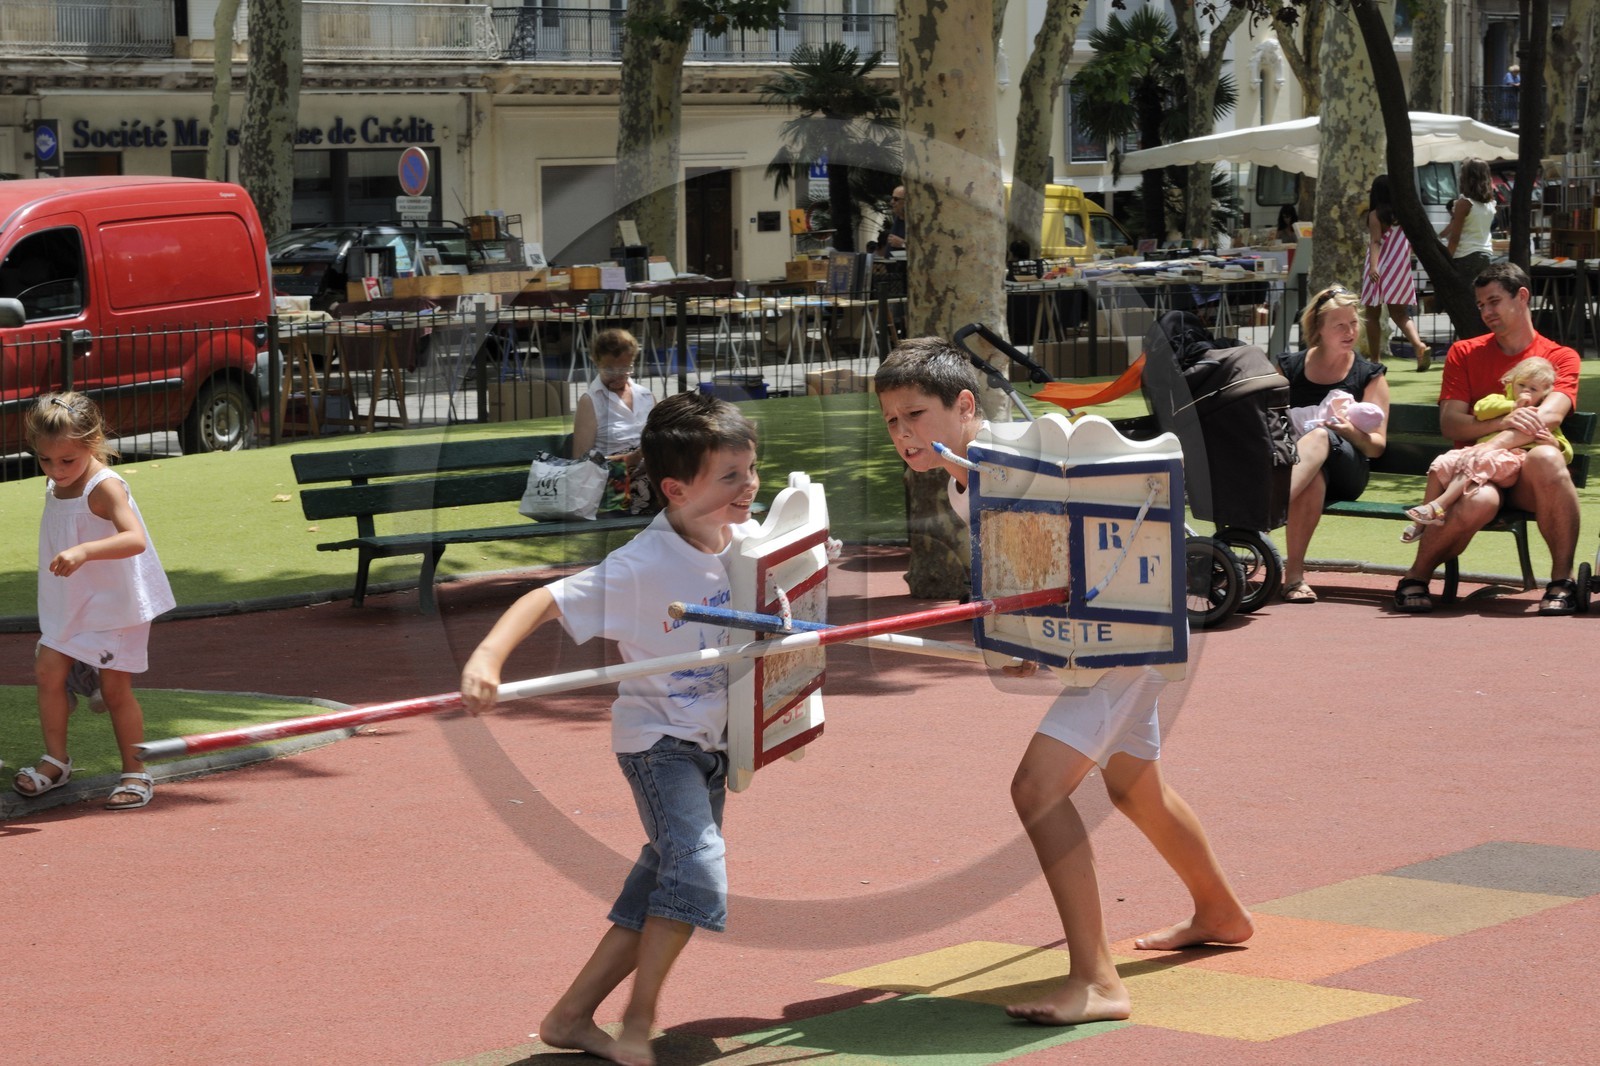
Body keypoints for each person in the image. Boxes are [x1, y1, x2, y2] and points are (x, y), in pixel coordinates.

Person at [875, 338, 1252, 1026]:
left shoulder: (1019, 454)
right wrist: (1026, 637)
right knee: (1135, 786)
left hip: (1129, 634)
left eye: (915, 414)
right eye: (892, 420)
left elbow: (1099, 524)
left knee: (1037, 789)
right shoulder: (968, 471)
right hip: (1117, 633)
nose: (903, 433)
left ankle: (1098, 980)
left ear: (964, 405)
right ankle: (1219, 911)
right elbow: (1027, 555)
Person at [460, 391, 761, 1066]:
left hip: (713, 743)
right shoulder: (638, 566)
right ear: (678, 489)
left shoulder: (744, 539)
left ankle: (569, 1017)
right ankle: (640, 1017)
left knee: (659, 891)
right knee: (698, 870)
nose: (749, 488)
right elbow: (541, 600)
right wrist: (487, 657)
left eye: (751, 471)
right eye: (732, 478)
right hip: (662, 746)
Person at [15, 392, 175, 810]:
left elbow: (134, 538)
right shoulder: (57, 480)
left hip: (114, 605)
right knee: (47, 671)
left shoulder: (103, 487)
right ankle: (56, 761)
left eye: (67, 460)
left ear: (92, 442)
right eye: (45, 460)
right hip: (72, 601)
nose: (55, 469)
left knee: (116, 690)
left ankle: (136, 771)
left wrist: (85, 551)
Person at [1395, 262, 1582, 615]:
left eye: (1494, 301)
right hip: (1477, 475)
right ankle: (1415, 577)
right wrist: (1501, 422)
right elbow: (1451, 424)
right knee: (1480, 500)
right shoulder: (1464, 352)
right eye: (1481, 305)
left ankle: (1562, 580)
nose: (1486, 312)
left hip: (1528, 478)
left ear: (1522, 296)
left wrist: (1493, 444)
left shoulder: (1559, 357)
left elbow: (1550, 415)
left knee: (1546, 457)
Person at [1276, 286, 1391, 604]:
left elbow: (1376, 447)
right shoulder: (1289, 369)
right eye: (1339, 325)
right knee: (1313, 479)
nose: (1350, 331)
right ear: (1318, 329)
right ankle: (1294, 579)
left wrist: (1347, 431)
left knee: (1322, 435)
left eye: (1353, 323)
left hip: (1349, 472)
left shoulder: (1369, 375)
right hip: (1302, 470)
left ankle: (1272, 505)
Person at [1400, 356, 1571, 542]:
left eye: (1533, 389)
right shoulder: (1499, 400)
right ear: (1510, 382)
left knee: (1481, 461)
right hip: (1482, 454)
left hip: (1512, 460)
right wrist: (1512, 406)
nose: (1526, 392)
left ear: (1544, 395)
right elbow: (1481, 410)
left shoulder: (1537, 416)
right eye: (1521, 385)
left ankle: (1439, 506)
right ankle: (1422, 522)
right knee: (1442, 461)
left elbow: (1565, 448)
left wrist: (1555, 445)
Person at [572, 328, 657, 513]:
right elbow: (581, 462)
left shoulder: (645, 396)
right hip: (613, 482)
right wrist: (630, 459)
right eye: (610, 369)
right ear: (595, 361)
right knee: (668, 490)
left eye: (625, 368)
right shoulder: (591, 401)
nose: (618, 376)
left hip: (649, 471)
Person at [1362, 174, 1433, 372]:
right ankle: (1418, 345)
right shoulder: (1403, 214)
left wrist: (1374, 267)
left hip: (1380, 266)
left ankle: (1375, 359)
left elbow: (1375, 241)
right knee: (1399, 313)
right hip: (1400, 267)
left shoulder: (1375, 215)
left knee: (1372, 314)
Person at [1440, 158, 1497, 287]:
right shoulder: (1490, 205)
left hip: (1465, 256)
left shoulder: (1464, 203)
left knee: (1461, 299)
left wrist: (1445, 263)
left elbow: (1454, 239)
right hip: (1486, 255)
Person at [881, 185, 907, 251]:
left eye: (896, 199)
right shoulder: (897, 219)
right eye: (892, 198)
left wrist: (903, 244)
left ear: (906, 202)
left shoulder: (916, 224)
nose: (892, 202)